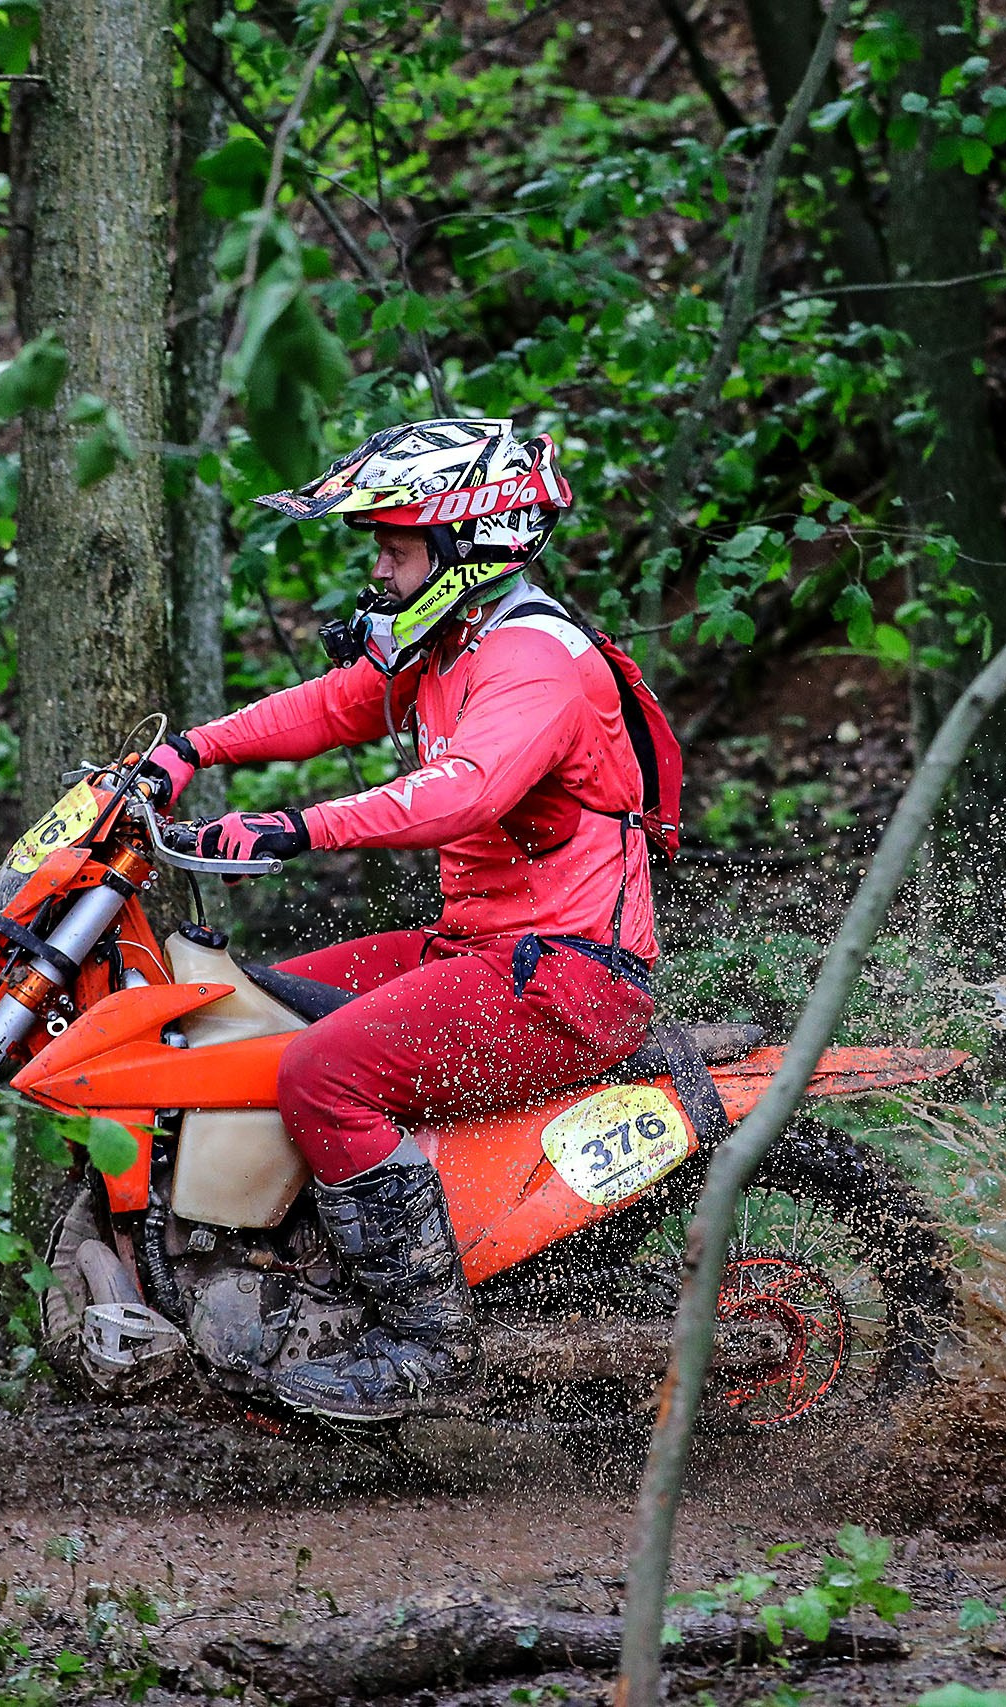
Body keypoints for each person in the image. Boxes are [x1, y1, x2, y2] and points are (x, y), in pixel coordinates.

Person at [139, 418, 659, 1419]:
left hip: (567, 976)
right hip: (485, 949)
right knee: (237, 1013)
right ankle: (286, 1281)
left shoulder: (534, 663)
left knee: (320, 1072)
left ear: (469, 546)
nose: (378, 567)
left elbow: (459, 793)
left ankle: (427, 1340)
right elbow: (337, 706)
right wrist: (190, 749)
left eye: (395, 545)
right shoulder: (452, 644)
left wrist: (295, 828)